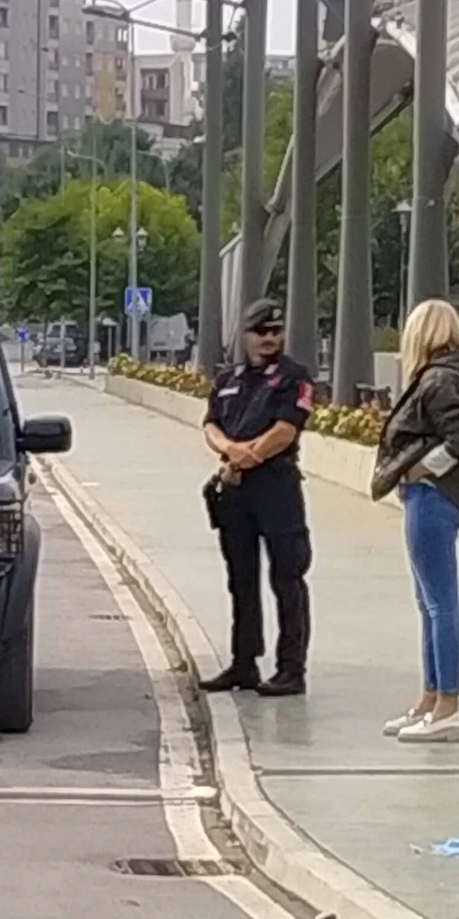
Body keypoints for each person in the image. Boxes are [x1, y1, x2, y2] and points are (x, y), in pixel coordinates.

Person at [372, 299, 459, 744]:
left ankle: (447, 705)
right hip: (444, 496)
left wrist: (415, 472)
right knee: (430, 603)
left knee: (439, 604)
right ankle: (430, 699)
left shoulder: (440, 379)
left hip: (432, 497)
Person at [198, 298, 316, 698]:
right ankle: (243, 662)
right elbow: (210, 424)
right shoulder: (228, 378)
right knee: (240, 579)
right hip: (235, 488)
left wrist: (246, 455)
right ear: (244, 335)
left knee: (288, 576)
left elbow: (286, 429)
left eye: (275, 331)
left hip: (276, 485)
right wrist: (230, 449)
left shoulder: (293, 377)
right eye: (260, 332)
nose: (268, 339)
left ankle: (291, 669)